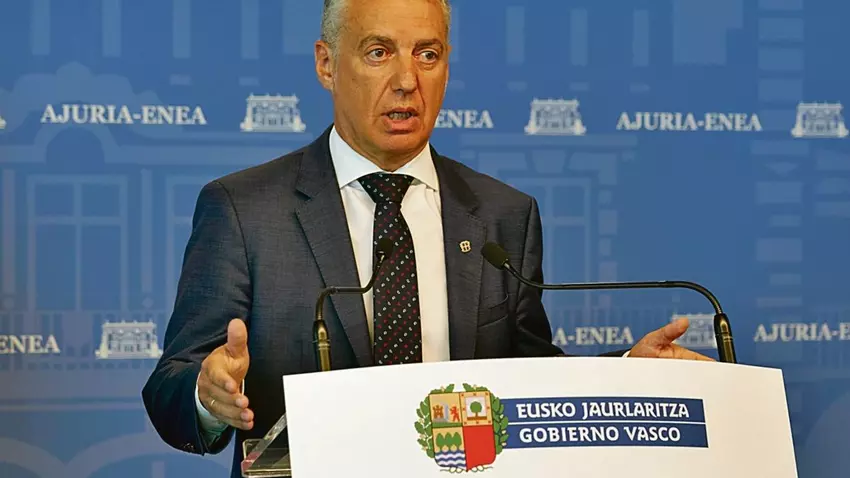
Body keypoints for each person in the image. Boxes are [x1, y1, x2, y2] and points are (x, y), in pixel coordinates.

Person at [141, 0, 712, 476]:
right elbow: (171, 386)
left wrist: (628, 377)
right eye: (378, 52)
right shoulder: (243, 210)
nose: (407, 80)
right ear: (326, 64)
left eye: (427, 54)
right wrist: (207, 396)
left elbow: (532, 382)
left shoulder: (502, 215)